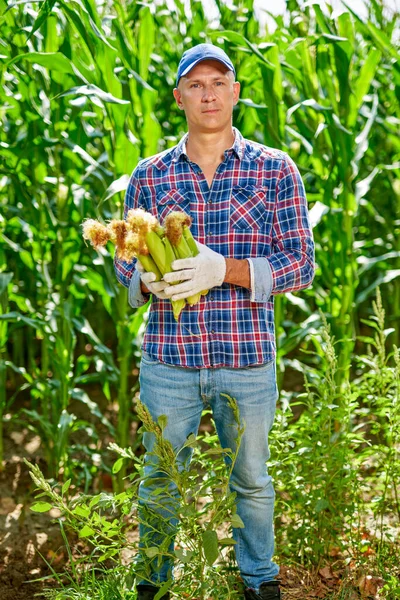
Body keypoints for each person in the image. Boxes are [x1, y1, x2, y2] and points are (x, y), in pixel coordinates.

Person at [114, 43, 315, 600]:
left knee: (251, 480)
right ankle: (152, 583)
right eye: (196, 85)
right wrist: (144, 282)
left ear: (235, 93)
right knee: (159, 481)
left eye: (218, 83)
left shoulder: (275, 169)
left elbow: (301, 262)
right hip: (169, 359)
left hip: (246, 357)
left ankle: (259, 581)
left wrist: (221, 269)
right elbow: (124, 261)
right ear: (179, 97)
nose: (208, 93)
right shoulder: (150, 175)